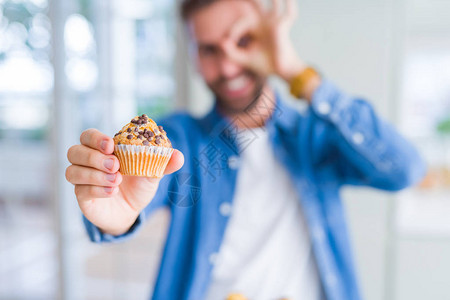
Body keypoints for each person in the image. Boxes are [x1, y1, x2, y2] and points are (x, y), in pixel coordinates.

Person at [65, 0, 426, 299]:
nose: (227, 65)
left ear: (269, 38)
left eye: (243, 40)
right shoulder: (182, 138)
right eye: (209, 49)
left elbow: (405, 169)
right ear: (192, 55)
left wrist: (296, 72)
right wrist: (117, 211)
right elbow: (141, 185)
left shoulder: (317, 138)